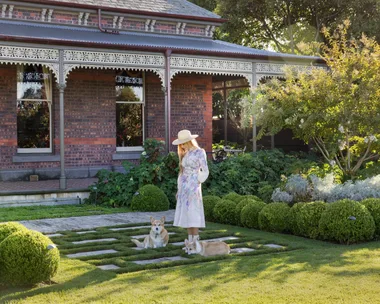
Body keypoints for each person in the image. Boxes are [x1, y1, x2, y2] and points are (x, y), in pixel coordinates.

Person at [172, 129, 209, 251]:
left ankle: (196, 244)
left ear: (188, 141)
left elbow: (205, 170)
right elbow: (181, 172)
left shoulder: (200, 152)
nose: (181, 145)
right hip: (184, 187)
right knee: (187, 214)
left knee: (194, 212)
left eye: (182, 143)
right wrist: (179, 189)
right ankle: (189, 243)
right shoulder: (185, 153)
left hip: (193, 186)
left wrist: (197, 180)